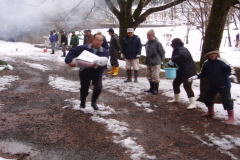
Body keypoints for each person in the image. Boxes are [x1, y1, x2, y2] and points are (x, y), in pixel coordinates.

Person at [188, 49, 237, 124]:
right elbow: (202, 73)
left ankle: (231, 117)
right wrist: (195, 77)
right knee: (207, 98)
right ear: (207, 55)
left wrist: (232, 75)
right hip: (212, 84)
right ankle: (210, 112)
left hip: (223, 84)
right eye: (211, 54)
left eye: (215, 54)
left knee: (227, 100)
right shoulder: (206, 63)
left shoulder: (222, 61)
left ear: (217, 54)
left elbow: (230, 69)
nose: (213, 55)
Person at [65, 33, 109, 110]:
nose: (98, 42)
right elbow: (72, 51)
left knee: (98, 88)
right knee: (84, 89)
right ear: (93, 40)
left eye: (101, 40)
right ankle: (83, 102)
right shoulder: (84, 48)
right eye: (97, 40)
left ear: (102, 42)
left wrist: (98, 66)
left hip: (97, 73)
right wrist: (68, 61)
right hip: (85, 71)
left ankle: (93, 102)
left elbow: (104, 64)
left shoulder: (104, 51)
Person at [168, 38, 197, 109]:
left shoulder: (182, 49)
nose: (171, 45)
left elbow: (182, 56)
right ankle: (176, 99)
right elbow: (178, 60)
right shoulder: (177, 49)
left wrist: (172, 59)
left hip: (188, 72)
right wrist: (172, 63)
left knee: (187, 86)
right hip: (181, 71)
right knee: (175, 83)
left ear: (175, 44)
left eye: (172, 43)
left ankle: (193, 103)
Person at [144, 29, 165, 95]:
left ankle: (156, 90)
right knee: (148, 75)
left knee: (155, 76)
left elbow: (162, 52)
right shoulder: (147, 43)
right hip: (149, 61)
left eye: (150, 35)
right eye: (148, 35)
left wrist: (162, 60)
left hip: (156, 62)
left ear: (153, 35)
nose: (148, 36)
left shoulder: (158, 43)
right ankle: (151, 88)